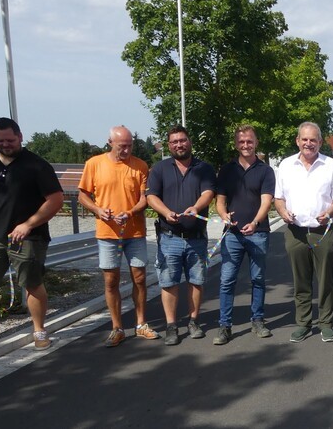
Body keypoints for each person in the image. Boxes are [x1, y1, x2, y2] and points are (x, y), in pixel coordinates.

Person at [0, 117, 64, 350]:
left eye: (10, 140)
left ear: (20, 137)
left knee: (32, 284)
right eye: (0, 140)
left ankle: (39, 330)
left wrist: (29, 224)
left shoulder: (37, 166)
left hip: (28, 236)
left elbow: (55, 200)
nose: (6, 144)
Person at [78, 125, 159, 347]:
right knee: (111, 281)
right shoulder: (94, 164)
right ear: (110, 142)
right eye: (122, 146)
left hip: (134, 230)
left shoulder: (140, 165)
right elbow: (82, 195)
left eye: (130, 146)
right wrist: (97, 210)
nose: (126, 150)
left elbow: (145, 198)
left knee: (140, 278)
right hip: (107, 232)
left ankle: (141, 324)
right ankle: (117, 327)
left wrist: (131, 211)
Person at [275, 122, 333, 343]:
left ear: (320, 142)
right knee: (301, 280)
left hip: (322, 232)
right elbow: (279, 198)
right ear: (298, 141)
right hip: (295, 232)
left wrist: (329, 212)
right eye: (304, 139)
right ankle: (303, 323)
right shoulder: (286, 165)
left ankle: (326, 323)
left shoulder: (331, 165)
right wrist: (283, 212)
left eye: (313, 139)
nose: (308, 143)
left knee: (325, 279)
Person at [146, 125, 216, 346]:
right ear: (169, 145)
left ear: (189, 142)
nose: (179, 144)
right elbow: (151, 197)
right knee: (169, 282)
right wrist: (166, 212)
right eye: (175, 141)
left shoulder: (203, 168)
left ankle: (193, 321)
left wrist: (196, 207)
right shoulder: (160, 169)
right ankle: (171, 326)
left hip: (196, 237)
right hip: (170, 237)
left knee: (196, 281)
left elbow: (208, 193)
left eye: (183, 140)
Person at [213, 125, 275, 346]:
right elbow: (219, 201)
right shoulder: (227, 170)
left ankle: (257, 320)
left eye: (249, 141)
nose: (246, 145)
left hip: (258, 233)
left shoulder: (266, 171)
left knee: (258, 279)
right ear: (236, 144)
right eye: (241, 142)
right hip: (232, 234)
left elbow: (267, 200)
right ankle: (224, 325)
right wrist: (223, 214)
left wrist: (255, 222)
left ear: (256, 142)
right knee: (227, 280)